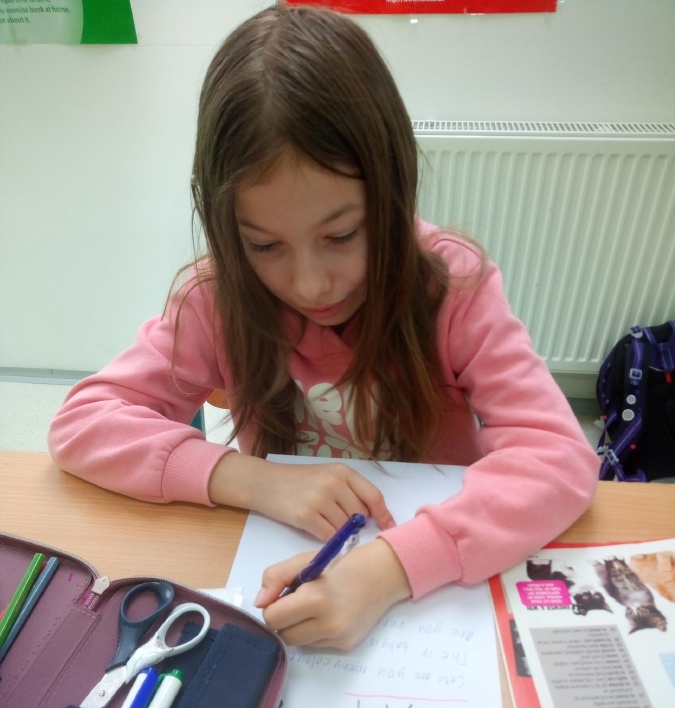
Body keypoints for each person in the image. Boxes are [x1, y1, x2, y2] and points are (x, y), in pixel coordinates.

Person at [49, 3, 599, 650]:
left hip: (437, 592)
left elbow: (559, 459)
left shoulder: (452, 287)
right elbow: (83, 422)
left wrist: (390, 567)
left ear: (391, 192)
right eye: (264, 245)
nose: (310, 284)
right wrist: (254, 479)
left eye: (340, 235)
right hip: (281, 568)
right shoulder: (217, 296)